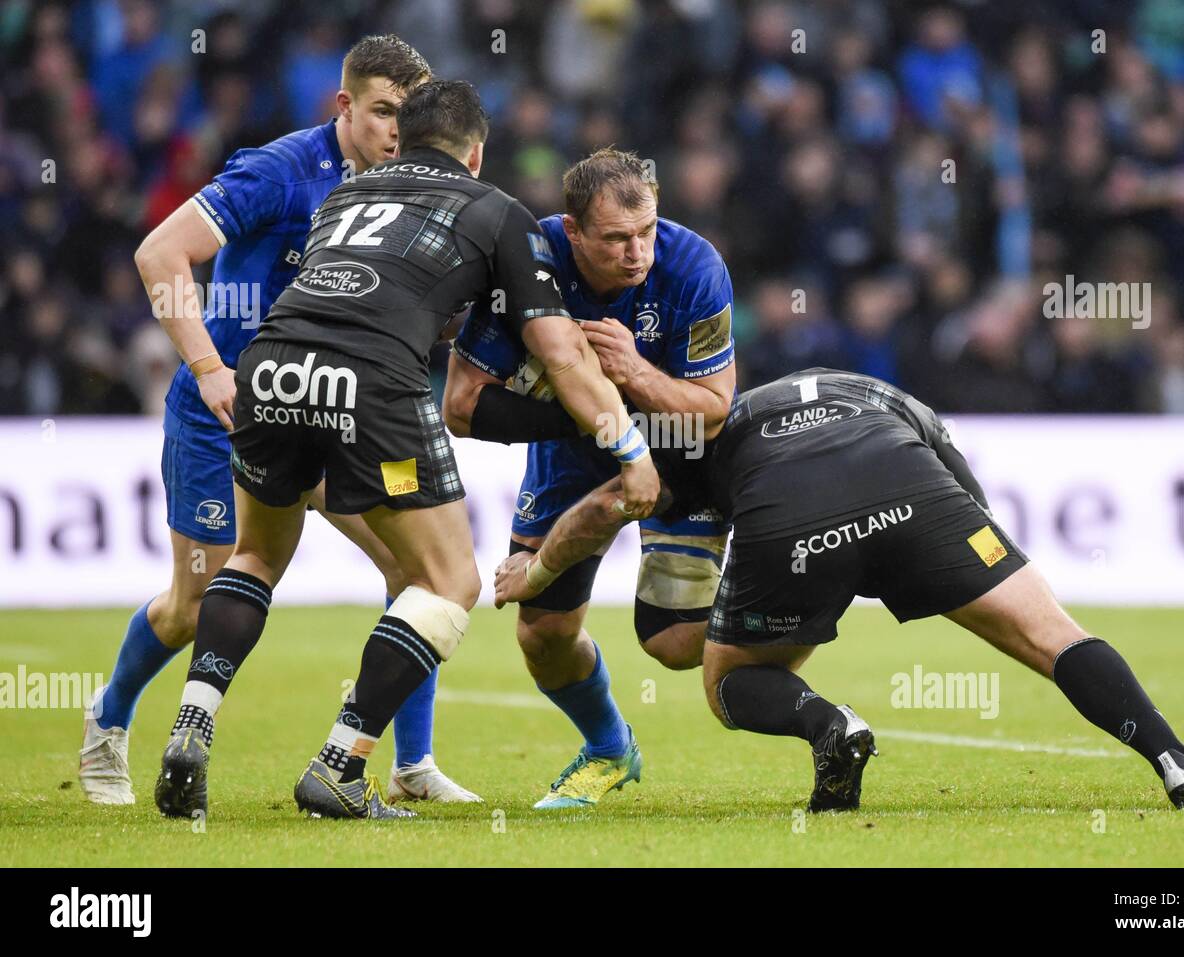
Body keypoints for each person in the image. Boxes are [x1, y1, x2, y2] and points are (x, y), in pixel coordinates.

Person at [151, 78, 659, 821]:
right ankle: (341, 763)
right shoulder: (497, 212)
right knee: (446, 579)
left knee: (255, 556)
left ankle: (192, 721)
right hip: (371, 383)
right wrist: (630, 448)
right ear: (476, 152)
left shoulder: (347, 195)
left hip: (270, 364)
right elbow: (564, 356)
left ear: (407, 138)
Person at [494, 368, 1184, 812]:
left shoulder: (712, 431)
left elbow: (619, 522)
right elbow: (963, 481)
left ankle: (832, 724)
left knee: (727, 683)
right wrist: (965, 559)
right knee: (1053, 633)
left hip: (791, 518)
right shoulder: (883, 392)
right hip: (918, 491)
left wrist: (539, 571)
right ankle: (1179, 761)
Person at [85, 35, 479, 807]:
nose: (398, 131)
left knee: (419, 576)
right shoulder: (281, 171)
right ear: (345, 106)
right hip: (228, 413)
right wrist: (207, 368)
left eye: (411, 114)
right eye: (382, 113)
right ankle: (107, 722)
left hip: (335, 412)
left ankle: (410, 763)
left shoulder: (404, 185)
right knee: (192, 602)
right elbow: (160, 255)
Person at [441, 147, 737, 808]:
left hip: (677, 448)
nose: (638, 254)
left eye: (646, 233)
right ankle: (610, 748)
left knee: (678, 643)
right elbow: (460, 407)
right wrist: (594, 420)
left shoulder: (694, 266)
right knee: (541, 635)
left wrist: (632, 377)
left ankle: (771, 598)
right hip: (573, 451)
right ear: (572, 232)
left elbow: (715, 408)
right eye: (616, 239)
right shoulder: (526, 260)